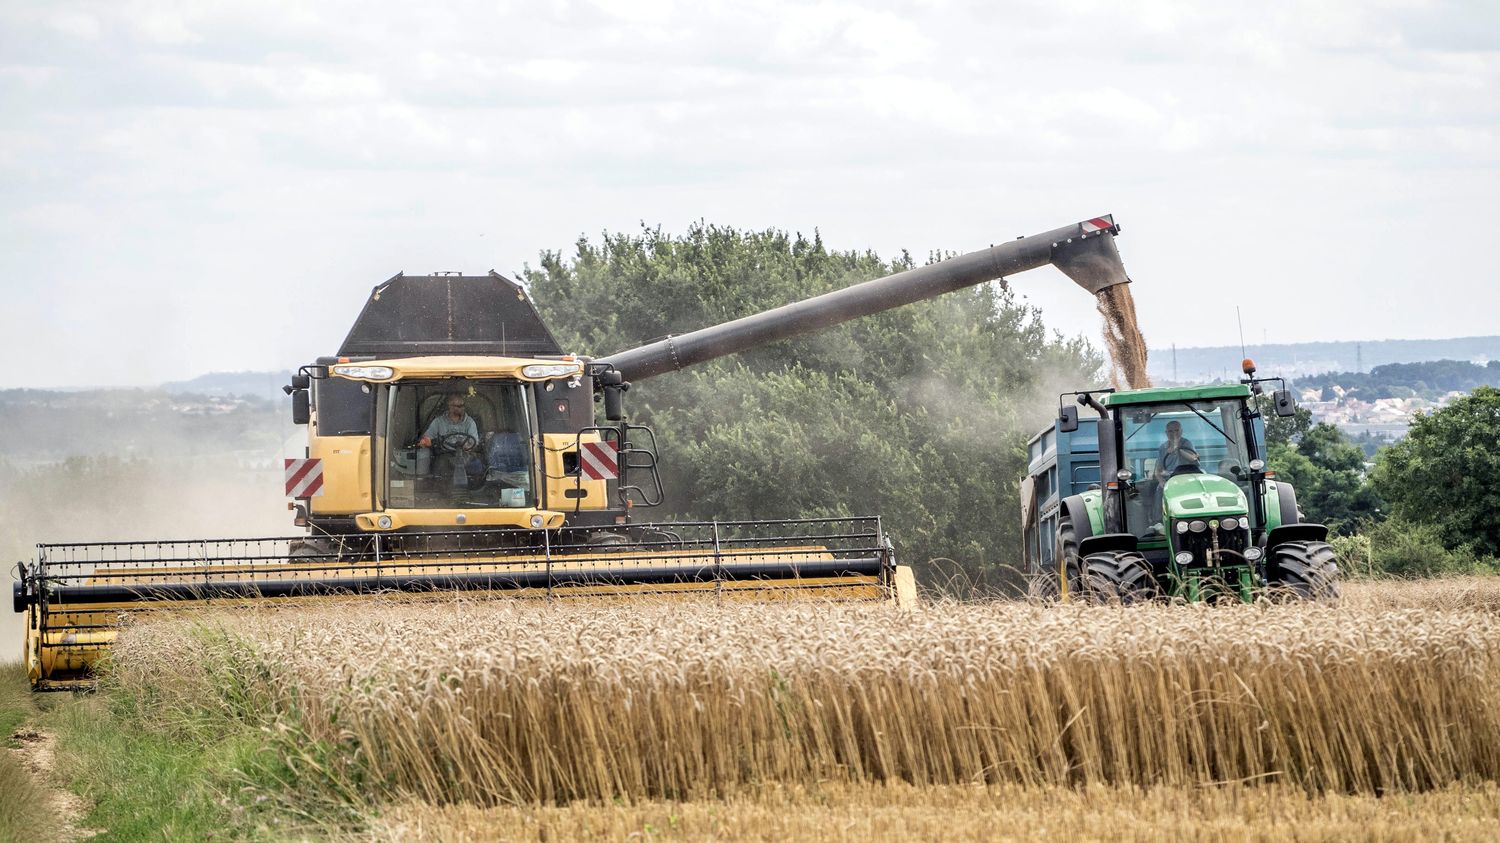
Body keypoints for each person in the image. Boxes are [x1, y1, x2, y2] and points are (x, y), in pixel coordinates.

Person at [419, 394, 481, 485]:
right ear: (450, 407)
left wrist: (467, 446)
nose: (462, 408)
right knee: (440, 466)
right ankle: (442, 490)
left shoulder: (470, 422)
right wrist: (425, 441)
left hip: (465, 453)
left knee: (477, 465)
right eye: (459, 406)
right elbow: (427, 438)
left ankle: (474, 488)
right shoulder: (439, 422)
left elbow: (474, 442)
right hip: (445, 454)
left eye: (463, 405)